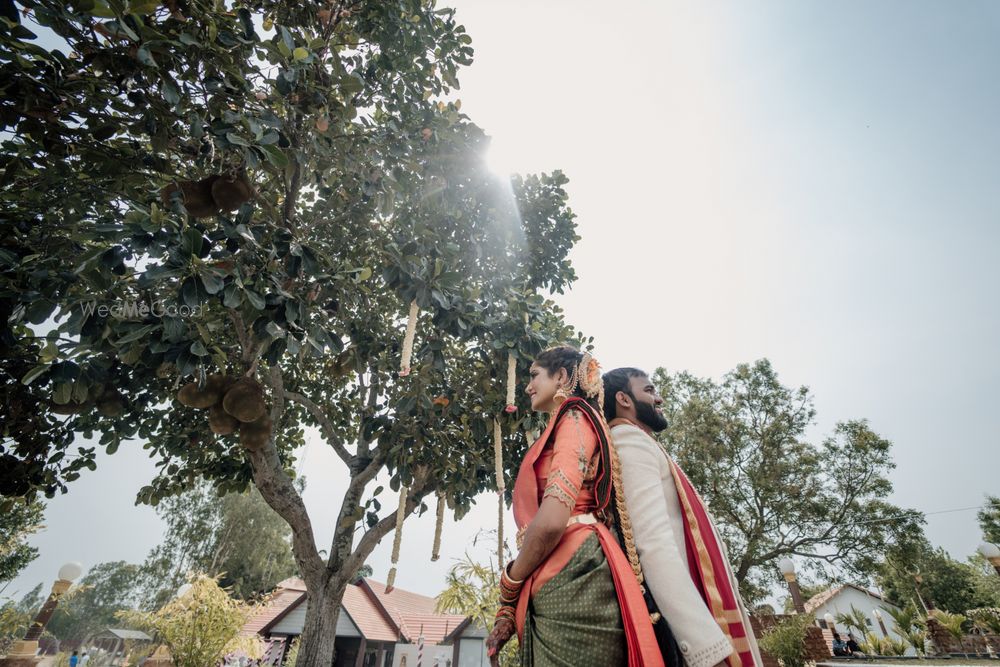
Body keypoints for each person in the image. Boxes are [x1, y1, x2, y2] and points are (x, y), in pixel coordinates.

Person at [485, 346, 663, 666]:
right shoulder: (570, 420)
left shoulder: (575, 416)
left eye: (534, 375)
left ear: (563, 377)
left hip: (575, 568)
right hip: (564, 566)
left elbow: (553, 520)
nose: (528, 386)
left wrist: (509, 585)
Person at [603, 367, 763, 667]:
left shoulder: (638, 441)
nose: (658, 398)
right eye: (649, 390)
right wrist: (707, 649)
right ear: (624, 399)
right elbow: (652, 544)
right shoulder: (629, 442)